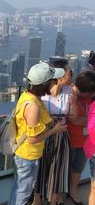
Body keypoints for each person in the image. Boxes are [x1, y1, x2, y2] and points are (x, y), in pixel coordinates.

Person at [9, 62, 68, 205]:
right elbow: (32, 139)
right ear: (45, 84)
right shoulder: (33, 106)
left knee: (19, 188)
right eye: (53, 81)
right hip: (28, 155)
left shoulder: (27, 95)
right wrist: (55, 130)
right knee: (24, 192)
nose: (54, 84)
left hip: (25, 154)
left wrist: (51, 120)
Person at [33, 59, 73, 205]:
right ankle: (37, 198)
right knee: (40, 167)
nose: (71, 75)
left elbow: (72, 114)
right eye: (70, 72)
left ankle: (53, 200)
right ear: (60, 75)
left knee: (58, 169)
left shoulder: (69, 92)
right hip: (43, 135)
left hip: (61, 135)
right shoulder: (42, 93)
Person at [72, 71, 95, 204]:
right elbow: (74, 120)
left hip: (86, 141)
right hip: (70, 139)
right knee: (67, 168)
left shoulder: (89, 98)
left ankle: (73, 190)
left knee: (78, 168)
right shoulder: (70, 97)